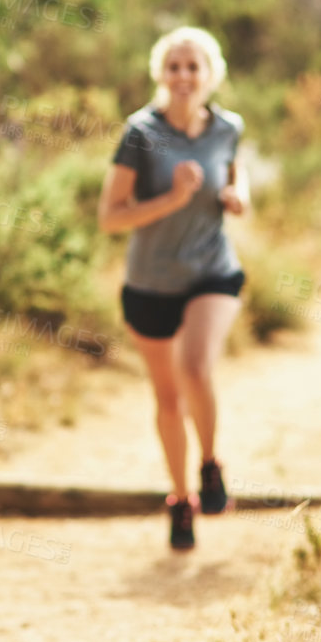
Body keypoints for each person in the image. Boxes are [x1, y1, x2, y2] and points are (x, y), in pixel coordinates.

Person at [96, 27, 249, 551]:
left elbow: (233, 169)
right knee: (166, 397)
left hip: (212, 269)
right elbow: (110, 218)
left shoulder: (228, 127)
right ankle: (180, 498)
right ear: (161, 74)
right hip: (151, 281)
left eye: (194, 67)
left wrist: (236, 194)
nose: (184, 77)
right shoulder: (141, 132)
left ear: (210, 75)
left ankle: (210, 466)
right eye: (175, 67)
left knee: (195, 368)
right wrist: (172, 200)